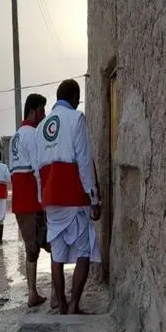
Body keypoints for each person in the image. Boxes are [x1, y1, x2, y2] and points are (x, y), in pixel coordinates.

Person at [34, 79, 102, 315]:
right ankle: (74, 305)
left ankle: (62, 304)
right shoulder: (76, 118)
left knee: (58, 253)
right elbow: (84, 161)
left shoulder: (41, 126)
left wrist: (43, 199)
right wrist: (93, 197)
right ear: (75, 97)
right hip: (73, 194)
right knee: (85, 250)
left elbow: (37, 168)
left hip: (51, 197)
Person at [10, 93, 58, 308]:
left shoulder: (15, 137)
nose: (44, 115)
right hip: (33, 201)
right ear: (33, 111)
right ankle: (55, 295)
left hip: (20, 203)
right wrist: (45, 201)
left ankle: (32, 293)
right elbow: (38, 171)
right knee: (54, 244)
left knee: (31, 249)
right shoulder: (33, 135)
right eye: (42, 110)